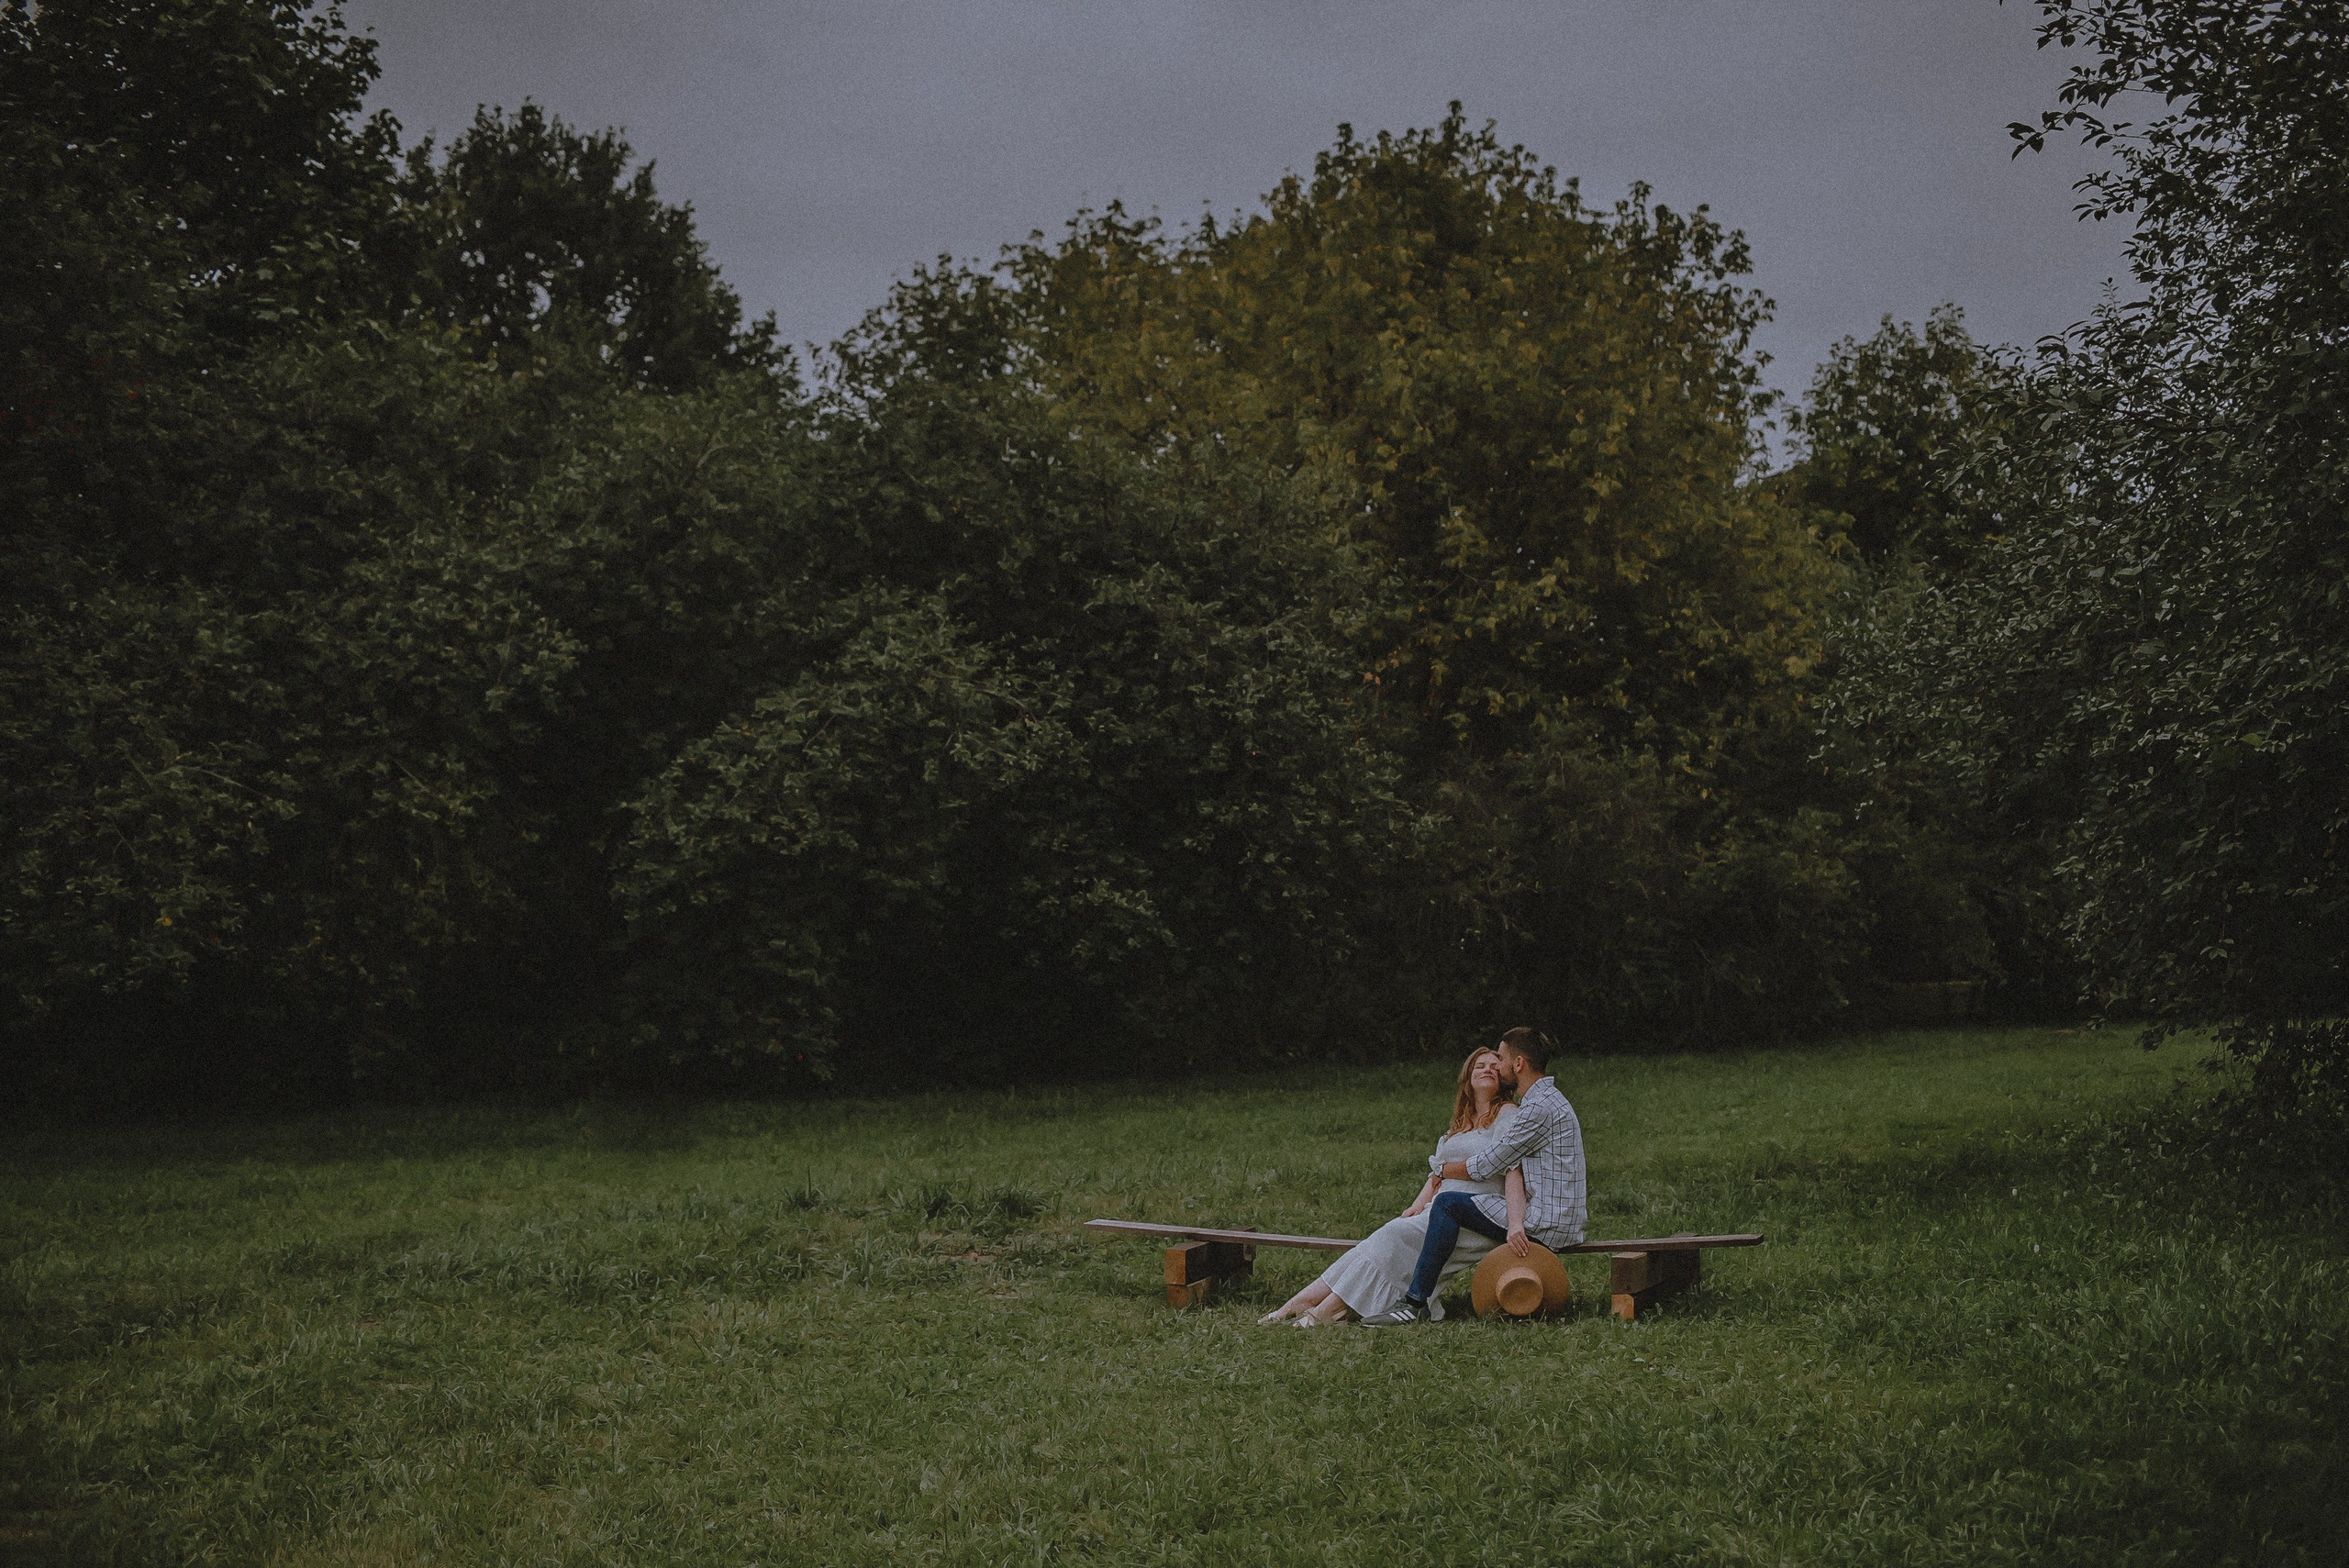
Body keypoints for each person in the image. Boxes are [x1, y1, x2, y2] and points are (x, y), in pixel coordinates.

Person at [1259, 1047, 1528, 1327]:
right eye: (1479, 1066)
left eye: (1494, 1067)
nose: (1487, 1069)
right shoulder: (1458, 1126)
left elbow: (1506, 1168)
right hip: (1439, 1211)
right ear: (1468, 1078)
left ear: (1503, 1079)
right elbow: (1434, 1177)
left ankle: (1327, 1310)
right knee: (1382, 1238)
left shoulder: (1508, 1115)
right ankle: (1305, 1302)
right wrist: (1415, 1205)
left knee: (1391, 1237)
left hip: (1476, 1212)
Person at [1357, 1026, 1586, 1327]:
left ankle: (1414, 1304)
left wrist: (1440, 1170)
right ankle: (1415, 1300)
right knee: (1451, 1205)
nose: (1497, 1066)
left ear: (1518, 1064)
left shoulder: (1538, 1110)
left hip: (1548, 1224)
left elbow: (1490, 1164)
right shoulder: (1546, 1101)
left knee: (1449, 1205)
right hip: (1553, 1216)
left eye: (1501, 1059)